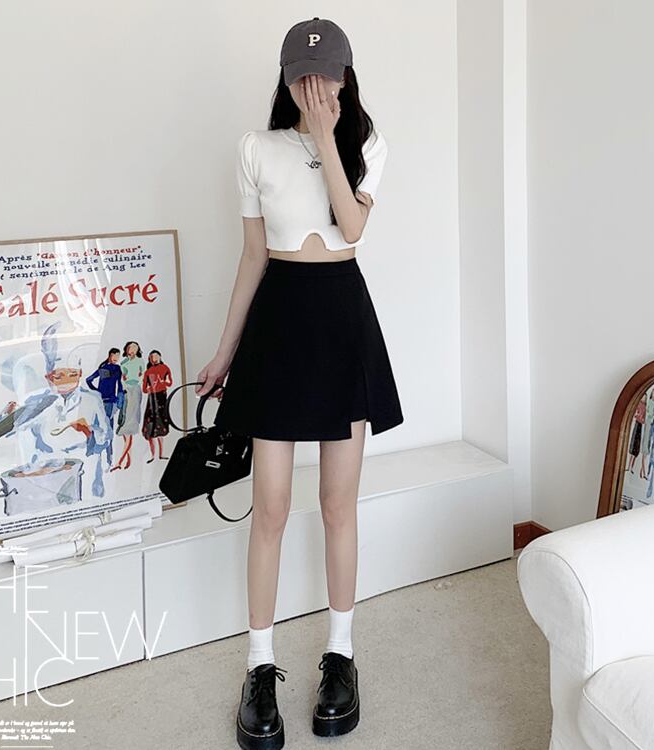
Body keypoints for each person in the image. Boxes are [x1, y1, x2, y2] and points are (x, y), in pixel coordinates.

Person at [195, 17, 403, 750]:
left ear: (346, 78)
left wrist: (326, 137)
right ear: (286, 80)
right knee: (273, 507)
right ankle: (260, 668)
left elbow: (352, 228)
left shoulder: (368, 143)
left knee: (338, 504)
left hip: (343, 320)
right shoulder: (255, 148)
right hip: (279, 325)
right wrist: (224, 354)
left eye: (328, 76)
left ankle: (341, 657)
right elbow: (253, 256)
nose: (316, 88)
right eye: (303, 77)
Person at [86, 347, 123, 467]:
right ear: (110, 355)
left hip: (109, 402)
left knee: (106, 429)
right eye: (115, 356)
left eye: (118, 356)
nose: (116, 358)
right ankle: (96, 454)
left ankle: (107, 457)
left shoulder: (116, 368)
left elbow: (120, 385)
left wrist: (119, 401)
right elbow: (88, 380)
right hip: (103, 402)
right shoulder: (105, 368)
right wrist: (97, 392)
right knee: (100, 427)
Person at [112, 341, 144, 471]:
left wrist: (133, 382)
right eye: (130, 348)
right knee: (125, 422)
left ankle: (119, 461)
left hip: (135, 390)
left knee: (130, 423)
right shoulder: (124, 362)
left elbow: (141, 375)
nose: (132, 351)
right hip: (126, 391)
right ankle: (128, 459)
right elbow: (122, 378)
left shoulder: (139, 361)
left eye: (135, 348)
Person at [141, 349, 173, 462]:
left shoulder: (165, 368)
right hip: (152, 400)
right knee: (150, 427)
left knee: (161, 426)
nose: (154, 359)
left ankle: (161, 454)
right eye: (151, 357)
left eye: (155, 356)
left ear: (160, 357)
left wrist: (161, 382)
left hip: (162, 398)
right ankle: (152, 455)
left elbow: (170, 383)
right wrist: (150, 388)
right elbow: (144, 389)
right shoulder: (148, 372)